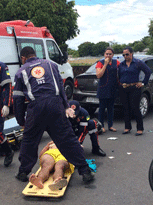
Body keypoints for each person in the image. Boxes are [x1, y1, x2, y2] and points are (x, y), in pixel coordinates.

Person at [12, 46, 94, 184]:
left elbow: (17, 99)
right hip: (55, 105)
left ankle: (23, 172)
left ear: (23, 58)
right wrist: (66, 106)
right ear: (35, 55)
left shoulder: (21, 71)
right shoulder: (51, 65)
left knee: (29, 141)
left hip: (36, 108)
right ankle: (85, 171)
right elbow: (61, 88)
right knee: (67, 139)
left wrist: (21, 119)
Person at [118, 47, 152, 136]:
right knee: (125, 108)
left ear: (131, 54)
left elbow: (148, 71)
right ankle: (127, 127)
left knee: (135, 107)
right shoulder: (121, 65)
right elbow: (119, 76)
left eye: (127, 54)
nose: (125, 56)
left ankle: (140, 128)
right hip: (124, 88)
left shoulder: (138, 63)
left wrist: (143, 83)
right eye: (123, 55)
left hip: (134, 87)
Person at [96, 47, 119, 133]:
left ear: (113, 55)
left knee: (111, 108)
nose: (108, 55)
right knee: (102, 108)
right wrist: (105, 65)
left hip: (112, 88)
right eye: (107, 54)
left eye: (110, 54)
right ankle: (101, 126)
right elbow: (98, 75)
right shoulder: (100, 63)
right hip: (103, 88)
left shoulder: (116, 62)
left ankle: (110, 125)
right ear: (104, 54)